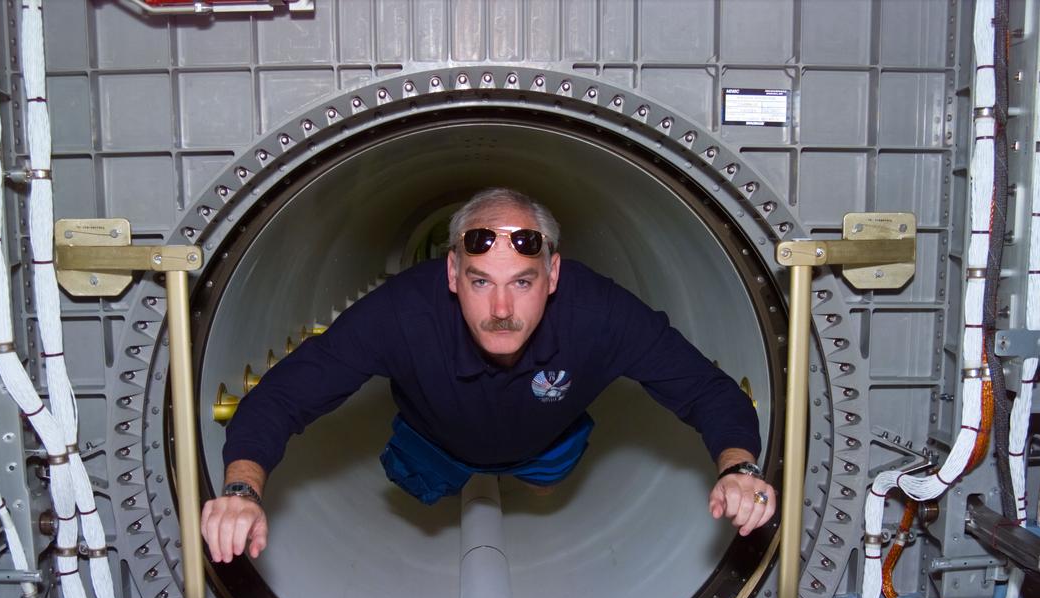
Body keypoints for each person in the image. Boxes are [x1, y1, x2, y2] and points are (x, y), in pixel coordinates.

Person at [201, 187, 776, 563]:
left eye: (522, 281)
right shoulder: (401, 313)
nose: (501, 308)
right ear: (452, 273)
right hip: (433, 447)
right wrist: (240, 491)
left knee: (544, 481)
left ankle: (535, 477)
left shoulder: (601, 314)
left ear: (554, 274)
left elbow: (705, 389)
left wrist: (739, 468)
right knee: (418, 486)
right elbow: (285, 396)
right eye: (481, 281)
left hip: (546, 446)